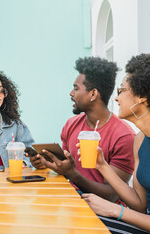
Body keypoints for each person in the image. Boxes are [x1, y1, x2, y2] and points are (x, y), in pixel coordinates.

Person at [82, 53, 150, 233]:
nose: (116, 98)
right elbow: (141, 205)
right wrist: (102, 166)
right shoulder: (140, 140)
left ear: (142, 96)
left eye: (121, 91)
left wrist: (116, 210)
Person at [32, 57, 135, 203]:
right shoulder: (71, 124)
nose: (71, 93)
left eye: (76, 88)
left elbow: (112, 195)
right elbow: (66, 167)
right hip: (74, 203)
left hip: (106, 215)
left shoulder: (124, 136)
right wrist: (46, 163)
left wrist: (72, 174)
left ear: (93, 94)